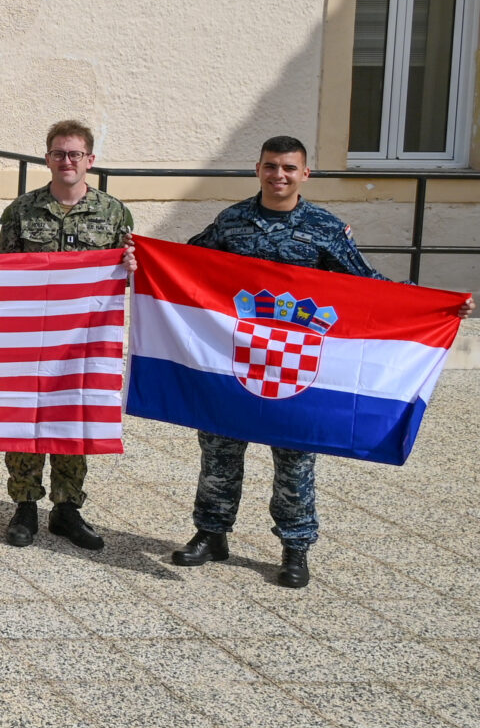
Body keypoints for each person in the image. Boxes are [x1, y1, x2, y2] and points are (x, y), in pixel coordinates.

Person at [171, 136, 468, 588]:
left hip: (296, 368)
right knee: (219, 454)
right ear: (258, 169)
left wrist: (433, 305)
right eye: (271, 166)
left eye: (289, 168)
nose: (279, 175)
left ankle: (295, 548)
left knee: (294, 460)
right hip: (239, 363)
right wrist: (144, 264)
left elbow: (369, 287)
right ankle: (211, 534)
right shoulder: (232, 223)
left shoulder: (324, 227)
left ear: (305, 174)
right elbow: (188, 265)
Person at [0, 120, 135, 551]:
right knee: (26, 414)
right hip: (31, 337)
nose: (66, 161)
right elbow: (3, 275)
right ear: (47, 158)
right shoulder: (21, 211)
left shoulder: (115, 213)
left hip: (84, 339)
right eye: (58, 153)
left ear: (90, 160)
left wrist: (134, 268)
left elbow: (127, 278)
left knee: (75, 415)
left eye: (75, 154)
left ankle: (67, 507)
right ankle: (24, 505)